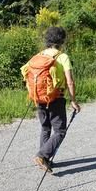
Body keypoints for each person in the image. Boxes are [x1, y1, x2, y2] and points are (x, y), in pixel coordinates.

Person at [32, 26, 80, 174]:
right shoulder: (62, 57)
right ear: (61, 40)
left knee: (45, 127)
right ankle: (42, 156)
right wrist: (73, 100)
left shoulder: (39, 55)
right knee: (60, 131)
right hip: (56, 98)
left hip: (40, 97)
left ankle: (43, 156)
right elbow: (70, 81)